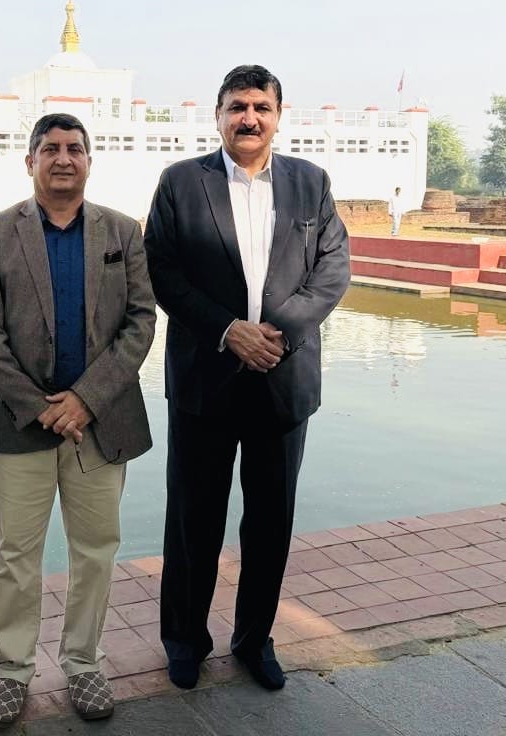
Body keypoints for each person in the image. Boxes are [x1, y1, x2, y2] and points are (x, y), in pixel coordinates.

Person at [144, 64, 350, 692]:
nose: (249, 118)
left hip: (282, 383)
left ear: (279, 116)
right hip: (206, 380)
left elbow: (332, 270)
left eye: (261, 106)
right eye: (238, 106)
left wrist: (277, 332)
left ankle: (254, 639)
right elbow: (163, 270)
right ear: (219, 115)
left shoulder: (310, 184)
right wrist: (229, 330)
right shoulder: (182, 183)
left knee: (270, 521)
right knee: (192, 520)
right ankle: (184, 639)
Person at [0, 114, 156, 729]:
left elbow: (140, 322)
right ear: (30, 162)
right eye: (50, 149)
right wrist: (39, 404)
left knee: (95, 550)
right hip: (20, 422)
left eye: (75, 148)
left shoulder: (123, 232)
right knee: (16, 552)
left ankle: (83, 663)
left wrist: (84, 399)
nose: (63, 158)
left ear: (90, 161)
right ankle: (11, 671)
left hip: (99, 423)